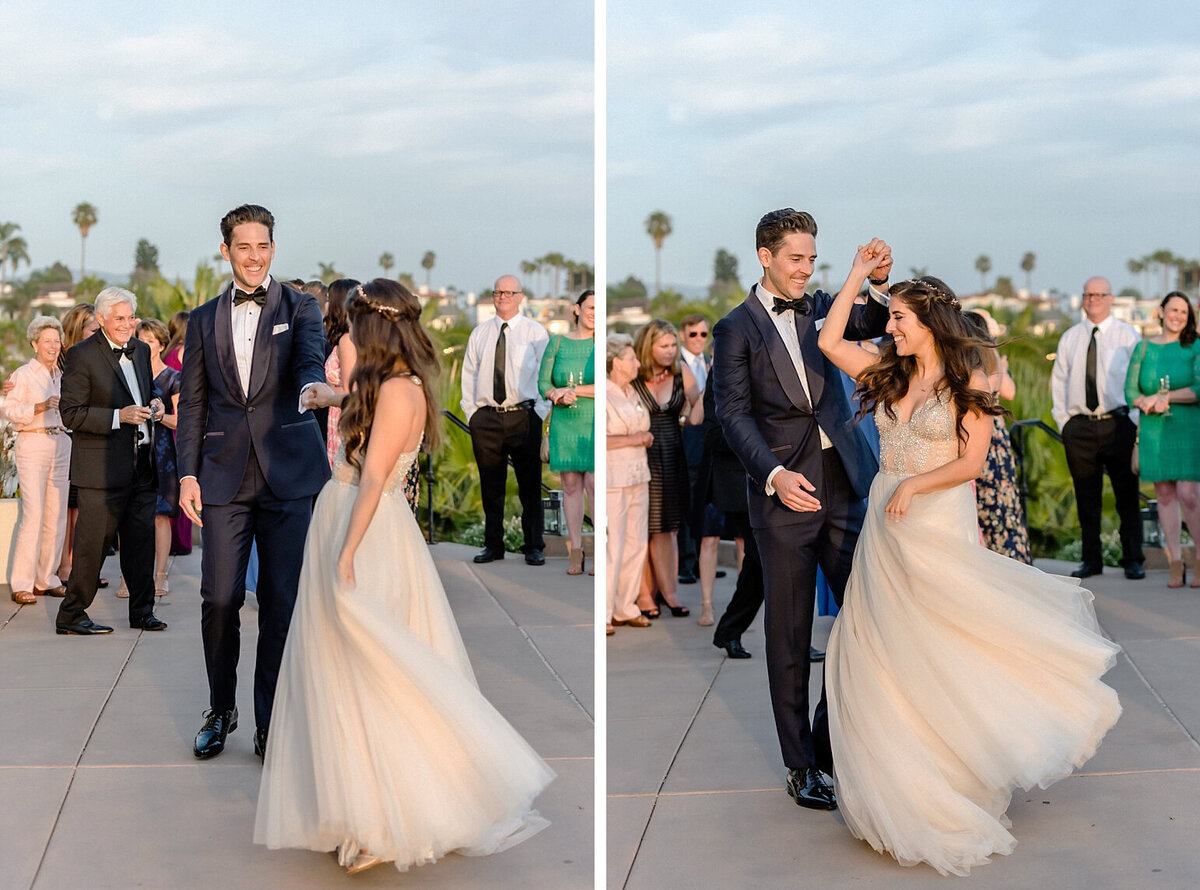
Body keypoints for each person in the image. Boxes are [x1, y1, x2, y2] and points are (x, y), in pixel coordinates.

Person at [818, 260, 1122, 875]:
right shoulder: (886, 371)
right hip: (886, 524)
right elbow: (828, 340)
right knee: (881, 653)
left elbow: (972, 462)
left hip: (933, 522)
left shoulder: (967, 385)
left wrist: (916, 483)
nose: (890, 328)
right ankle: (900, 784)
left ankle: (952, 777)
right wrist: (854, 271)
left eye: (899, 318)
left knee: (940, 646)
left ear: (928, 321)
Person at [256, 279, 553, 875]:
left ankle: (382, 821)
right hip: (343, 516)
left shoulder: (397, 391)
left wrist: (346, 553)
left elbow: (373, 478)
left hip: (365, 530)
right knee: (338, 668)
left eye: (356, 324)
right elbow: (365, 429)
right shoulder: (387, 385)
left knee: (373, 667)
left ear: (375, 329)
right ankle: (356, 807)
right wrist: (326, 399)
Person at [711, 209, 891, 810]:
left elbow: (877, 317)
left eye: (812, 260)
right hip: (783, 494)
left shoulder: (819, 305)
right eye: (796, 259)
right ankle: (801, 765)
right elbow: (732, 414)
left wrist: (879, 282)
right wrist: (774, 473)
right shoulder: (734, 328)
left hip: (845, 484)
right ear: (766, 256)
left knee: (871, 619)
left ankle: (827, 741)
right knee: (789, 636)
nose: (806, 269)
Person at [177, 204, 330, 760]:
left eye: (263, 245)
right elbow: (192, 404)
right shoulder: (201, 319)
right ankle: (222, 708)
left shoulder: (302, 307)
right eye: (243, 246)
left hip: (289, 475)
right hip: (221, 478)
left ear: (273, 247)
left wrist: (315, 390)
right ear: (226, 250)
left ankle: (271, 721)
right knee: (219, 598)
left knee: (280, 602)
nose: (254, 255)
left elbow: (309, 364)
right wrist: (188, 474)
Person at [55, 287, 167, 636]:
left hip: (141, 466)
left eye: (130, 317)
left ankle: (142, 612)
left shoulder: (142, 350)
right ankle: (71, 615)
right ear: (101, 319)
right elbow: (70, 414)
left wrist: (157, 404)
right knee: (91, 546)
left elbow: (146, 393)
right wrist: (119, 416)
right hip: (100, 470)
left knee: (141, 543)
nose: (127, 324)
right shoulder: (81, 355)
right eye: (118, 318)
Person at [1051, 277, 1144, 579]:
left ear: (1111, 298)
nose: (1093, 299)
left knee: (1126, 496)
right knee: (1085, 496)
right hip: (1080, 428)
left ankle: (1133, 559)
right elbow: (1060, 381)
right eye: (1088, 294)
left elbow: (1139, 378)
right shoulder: (1070, 337)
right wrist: (1064, 422)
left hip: (1118, 424)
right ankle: (1092, 560)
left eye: (1099, 294)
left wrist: (1133, 419)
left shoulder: (1128, 335)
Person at [460, 275, 549, 566]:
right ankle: (493, 545)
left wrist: (539, 412)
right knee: (491, 486)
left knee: (529, 486)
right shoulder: (480, 333)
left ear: (521, 297)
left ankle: (533, 545)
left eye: (509, 292)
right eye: (498, 292)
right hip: (486, 419)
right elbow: (469, 375)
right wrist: (473, 415)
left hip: (524, 417)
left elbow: (546, 377)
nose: (503, 297)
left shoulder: (536, 333)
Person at [1126, 292, 1200, 587]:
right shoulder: (1143, 348)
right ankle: (1175, 561)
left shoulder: (1194, 346)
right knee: (1165, 496)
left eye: (1184, 312)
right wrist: (1145, 402)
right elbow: (1130, 392)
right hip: (1154, 430)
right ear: (1161, 311)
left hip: (1188, 427)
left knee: (1189, 496)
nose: (1178, 316)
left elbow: (1199, 387)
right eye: (1173, 310)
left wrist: (1165, 397)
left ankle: (1198, 558)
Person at [632, 318, 702, 618]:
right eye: (664, 345)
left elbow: (697, 415)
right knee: (643, 527)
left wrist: (710, 388)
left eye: (674, 345)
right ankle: (645, 596)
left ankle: (668, 592)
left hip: (674, 455)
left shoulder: (681, 373)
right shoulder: (632, 376)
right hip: (641, 456)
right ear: (649, 347)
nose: (670, 351)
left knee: (668, 528)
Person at [3, 317, 70, 604]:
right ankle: (21, 583)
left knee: (56, 514)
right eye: (47, 341)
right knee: (33, 514)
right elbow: (10, 410)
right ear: (34, 344)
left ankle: (47, 578)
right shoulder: (22, 374)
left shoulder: (64, 374)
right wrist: (41, 406)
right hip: (32, 440)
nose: (53, 346)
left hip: (61, 442)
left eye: (56, 340)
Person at [962, 311, 1032, 563]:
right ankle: (1011, 560)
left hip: (983, 435)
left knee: (989, 507)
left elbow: (1005, 392)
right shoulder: (991, 358)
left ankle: (997, 562)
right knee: (1003, 507)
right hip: (996, 435)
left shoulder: (977, 361)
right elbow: (1008, 391)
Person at [539, 290, 596, 574]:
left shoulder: (604, 344)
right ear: (577, 309)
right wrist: (555, 394)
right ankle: (576, 549)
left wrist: (573, 390)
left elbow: (608, 386)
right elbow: (542, 383)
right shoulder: (557, 343)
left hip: (595, 422)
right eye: (590, 307)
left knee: (595, 486)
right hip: (565, 422)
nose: (594, 312)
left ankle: (599, 550)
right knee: (571, 486)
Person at [605, 333, 653, 635]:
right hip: (614, 479)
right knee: (614, 545)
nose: (637, 363)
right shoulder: (604, 394)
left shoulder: (633, 393)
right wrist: (634, 439)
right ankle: (605, 611)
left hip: (639, 475)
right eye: (632, 358)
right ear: (616, 363)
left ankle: (626, 605)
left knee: (637, 543)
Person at [136, 319, 182, 596]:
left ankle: (160, 574)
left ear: (162, 345)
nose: (145, 345)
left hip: (163, 452)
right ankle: (129, 575)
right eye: (141, 339)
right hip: (133, 451)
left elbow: (181, 420)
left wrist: (159, 415)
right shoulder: (130, 375)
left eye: (151, 340)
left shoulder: (173, 377)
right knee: (132, 516)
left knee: (160, 516)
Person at [677, 313, 711, 585]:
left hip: (706, 441)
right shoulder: (677, 367)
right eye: (693, 334)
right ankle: (686, 562)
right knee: (687, 503)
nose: (699, 339)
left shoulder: (709, 363)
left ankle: (701, 562)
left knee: (702, 502)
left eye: (703, 334)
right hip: (684, 440)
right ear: (682, 335)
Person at [321, 278, 360, 466]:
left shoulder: (347, 341)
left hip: (344, 417)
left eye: (329, 298)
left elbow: (350, 390)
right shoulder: (353, 338)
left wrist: (321, 392)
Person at [163, 309, 192, 556]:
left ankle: (167, 538)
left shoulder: (165, 354)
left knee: (168, 484)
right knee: (184, 480)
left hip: (166, 425)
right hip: (181, 422)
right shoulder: (187, 352)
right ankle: (180, 541)